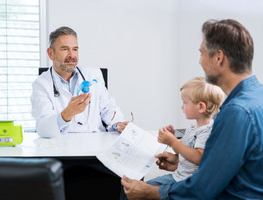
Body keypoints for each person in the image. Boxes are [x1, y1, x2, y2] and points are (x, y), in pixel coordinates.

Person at [121, 19, 263, 199]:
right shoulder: (257, 97)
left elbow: (202, 189)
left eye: (202, 54)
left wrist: (149, 192)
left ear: (219, 57)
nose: (200, 61)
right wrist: (178, 163)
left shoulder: (236, 112)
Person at [31, 26, 129, 137]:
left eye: (75, 49)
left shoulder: (93, 75)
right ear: (51, 53)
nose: (71, 55)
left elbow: (108, 108)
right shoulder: (41, 84)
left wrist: (118, 124)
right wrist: (68, 113)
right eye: (64, 49)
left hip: (96, 143)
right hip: (62, 146)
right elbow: (44, 128)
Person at [146, 77, 224, 191]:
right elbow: (183, 150)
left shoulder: (206, 131)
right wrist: (173, 137)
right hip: (179, 176)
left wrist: (173, 141)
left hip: (188, 181)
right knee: (144, 186)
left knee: (143, 189)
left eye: (185, 103)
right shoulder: (193, 127)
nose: (182, 107)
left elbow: (198, 157)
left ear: (201, 107)